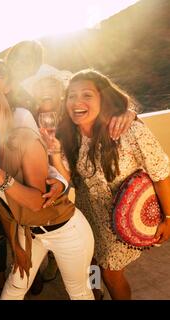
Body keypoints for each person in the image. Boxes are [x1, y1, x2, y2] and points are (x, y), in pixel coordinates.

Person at [42, 69, 170, 300]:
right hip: (86, 215)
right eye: (71, 96)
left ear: (104, 98)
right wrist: (54, 153)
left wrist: (168, 217)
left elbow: (161, 174)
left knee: (112, 274)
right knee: (90, 261)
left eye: (87, 95)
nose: (77, 102)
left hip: (118, 220)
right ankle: (95, 291)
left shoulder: (129, 130)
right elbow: (71, 180)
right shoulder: (71, 134)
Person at [0, 84, 95, 300]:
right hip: (29, 234)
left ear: (3, 108)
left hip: (66, 230)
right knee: (14, 288)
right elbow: (4, 208)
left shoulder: (25, 138)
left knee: (79, 291)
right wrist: (16, 246)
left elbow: (37, 203)